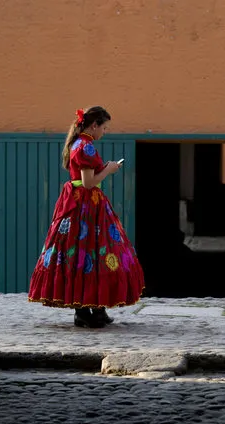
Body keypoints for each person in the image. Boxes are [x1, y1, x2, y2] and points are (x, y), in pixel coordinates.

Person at [28, 106, 146, 328]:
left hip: (80, 205)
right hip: (86, 208)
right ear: (94, 126)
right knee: (95, 250)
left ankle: (88, 311)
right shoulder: (86, 147)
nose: (104, 132)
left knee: (83, 254)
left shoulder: (77, 144)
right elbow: (88, 182)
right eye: (104, 127)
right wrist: (109, 169)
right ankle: (91, 311)